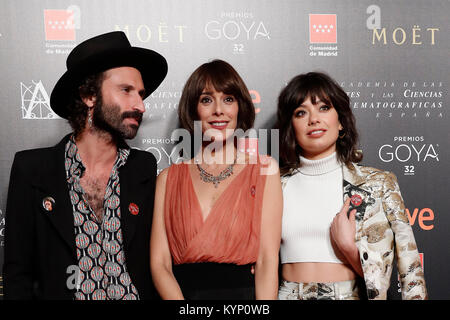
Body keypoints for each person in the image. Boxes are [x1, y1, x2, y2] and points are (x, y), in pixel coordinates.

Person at [3, 31, 168, 300]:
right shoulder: (32, 169)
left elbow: (165, 252)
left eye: (141, 94)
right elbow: (17, 275)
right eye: (126, 90)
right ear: (89, 96)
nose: (140, 105)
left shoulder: (143, 168)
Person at [275, 72, 427, 300]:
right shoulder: (274, 184)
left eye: (324, 108)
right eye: (301, 112)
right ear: (291, 128)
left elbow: (410, 266)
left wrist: (349, 248)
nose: (313, 119)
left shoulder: (378, 183)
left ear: (341, 123)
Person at [150, 59, 282, 300]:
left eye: (228, 99)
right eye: (206, 99)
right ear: (193, 110)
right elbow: (160, 264)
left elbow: (266, 260)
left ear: (240, 107)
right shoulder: (168, 179)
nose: (219, 110)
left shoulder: (264, 170)